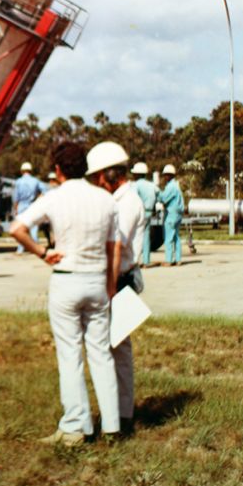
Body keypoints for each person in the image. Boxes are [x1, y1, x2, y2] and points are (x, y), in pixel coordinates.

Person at [9, 141, 120, 446]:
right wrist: (110, 285)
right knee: (100, 352)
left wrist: (43, 252)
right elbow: (113, 247)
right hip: (97, 279)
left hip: (66, 279)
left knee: (70, 354)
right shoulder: (106, 199)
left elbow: (16, 228)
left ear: (57, 170)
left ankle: (75, 426)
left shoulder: (54, 198)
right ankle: (112, 424)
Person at [87, 142, 145, 436]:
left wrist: (108, 286)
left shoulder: (127, 202)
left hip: (120, 281)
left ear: (112, 175)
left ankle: (122, 416)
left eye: (99, 176)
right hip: (118, 279)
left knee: (117, 350)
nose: (97, 182)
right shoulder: (120, 199)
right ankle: (121, 412)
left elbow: (116, 246)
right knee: (114, 348)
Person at [12, 162, 47, 254]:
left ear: (22, 171)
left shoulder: (18, 181)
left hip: (21, 205)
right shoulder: (35, 181)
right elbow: (45, 190)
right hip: (32, 205)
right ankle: (36, 248)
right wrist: (38, 200)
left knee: (20, 227)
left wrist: (15, 208)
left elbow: (16, 197)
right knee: (34, 227)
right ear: (30, 170)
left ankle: (20, 249)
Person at [131, 162, 158, 267]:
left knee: (136, 236)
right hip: (149, 212)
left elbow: (133, 199)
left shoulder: (136, 185)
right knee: (146, 236)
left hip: (140, 212)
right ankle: (146, 261)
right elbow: (158, 195)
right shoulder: (151, 185)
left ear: (137, 174)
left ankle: (135, 260)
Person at [158, 164, 184, 266]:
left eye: (166, 175)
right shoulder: (177, 186)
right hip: (178, 214)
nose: (165, 177)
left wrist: (158, 194)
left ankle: (169, 260)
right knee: (176, 237)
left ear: (170, 176)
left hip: (171, 214)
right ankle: (178, 259)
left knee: (168, 237)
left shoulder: (170, 187)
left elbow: (163, 199)